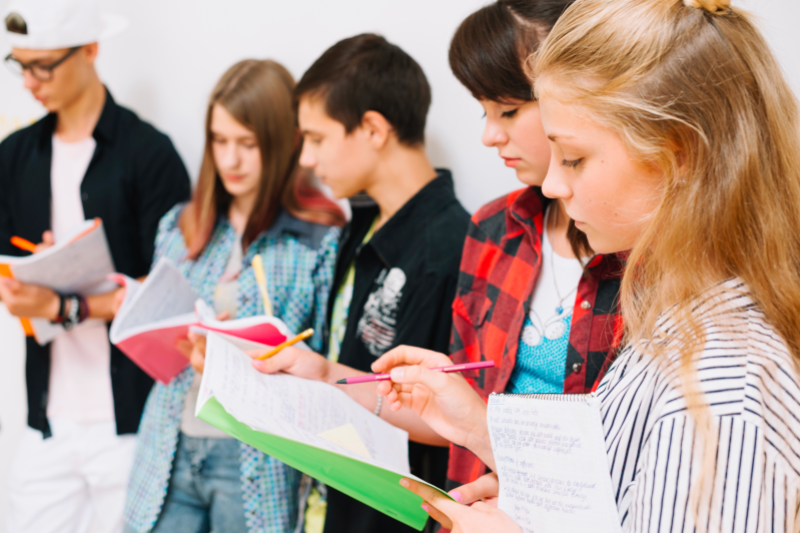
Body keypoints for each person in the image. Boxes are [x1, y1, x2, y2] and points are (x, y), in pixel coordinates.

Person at [371, 0, 800, 531]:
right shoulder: (674, 320)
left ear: (679, 154)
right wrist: (496, 450)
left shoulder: (721, 391)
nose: (552, 184)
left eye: (572, 158)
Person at [247, 34, 470, 533]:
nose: (306, 157)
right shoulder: (361, 223)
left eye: (317, 138)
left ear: (372, 128)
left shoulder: (448, 248)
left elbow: (437, 419)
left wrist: (327, 375)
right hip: (331, 502)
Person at [122, 59, 344, 533]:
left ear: (286, 144)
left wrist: (233, 356)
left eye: (248, 144)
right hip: (169, 443)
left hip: (253, 460)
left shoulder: (320, 238)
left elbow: (324, 361)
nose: (230, 161)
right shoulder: (180, 226)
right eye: (219, 141)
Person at [0, 0, 190, 531]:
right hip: (48, 418)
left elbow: (174, 297)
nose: (30, 82)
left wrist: (62, 302)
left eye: (44, 65)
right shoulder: (14, 156)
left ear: (90, 50)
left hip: (131, 420)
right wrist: (23, 281)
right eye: (20, 64)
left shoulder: (149, 154)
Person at [444, 0, 624, 494]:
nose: (488, 135)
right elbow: (464, 419)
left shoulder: (642, 244)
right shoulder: (492, 228)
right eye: (482, 111)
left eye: (507, 109)